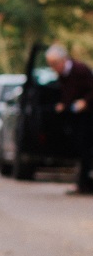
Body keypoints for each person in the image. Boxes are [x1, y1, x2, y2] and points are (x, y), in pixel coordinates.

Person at [45, 44, 93, 195]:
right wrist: (63, 105)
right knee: (79, 148)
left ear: (63, 59)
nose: (53, 68)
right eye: (50, 65)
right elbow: (68, 93)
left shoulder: (80, 69)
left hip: (89, 114)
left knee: (87, 149)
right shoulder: (62, 75)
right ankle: (83, 183)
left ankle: (86, 183)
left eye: (54, 64)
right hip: (75, 116)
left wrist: (85, 102)